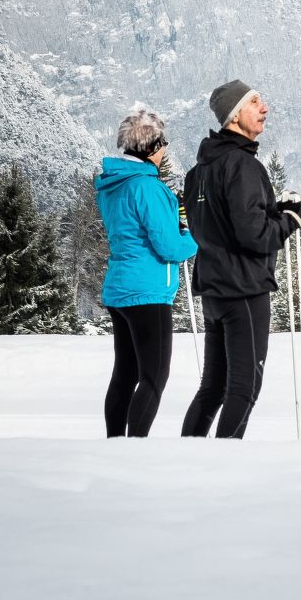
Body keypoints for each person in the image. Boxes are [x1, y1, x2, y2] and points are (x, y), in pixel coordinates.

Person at [181, 80, 301, 440]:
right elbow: (254, 235)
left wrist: (273, 211)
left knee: (214, 387)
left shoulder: (198, 173)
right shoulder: (243, 166)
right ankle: (223, 465)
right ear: (235, 116)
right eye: (254, 102)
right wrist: (292, 218)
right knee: (244, 386)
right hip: (244, 290)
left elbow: (221, 224)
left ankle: (184, 459)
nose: (264, 108)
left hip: (214, 289)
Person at [95, 108, 197, 438]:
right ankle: (135, 448)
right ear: (151, 147)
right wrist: (192, 236)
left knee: (125, 374)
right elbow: (169, 247)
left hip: (120, 289)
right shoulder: (148, 188)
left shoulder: (114, 185)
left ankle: (114, 443)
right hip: (148, 292)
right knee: (154, 376)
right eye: (163, 142)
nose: (165, 149)